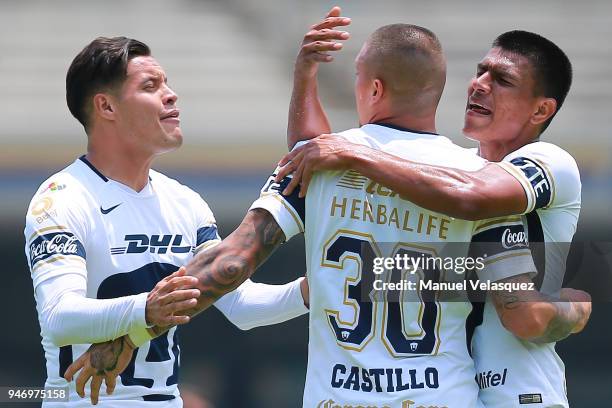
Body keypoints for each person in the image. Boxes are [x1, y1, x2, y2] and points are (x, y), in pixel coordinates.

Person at [277, 13, 590, 407]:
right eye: (481, 71)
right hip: (457, 390)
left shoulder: (549, 160)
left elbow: (474, 201)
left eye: (502, 80)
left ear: (541, 111)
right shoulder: (453, 168)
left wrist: (576, 308)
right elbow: (316, 160)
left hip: (522, 395)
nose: (480, 85)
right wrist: (308, 80)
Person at [24, 36, 308, 407]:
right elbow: (59, 317)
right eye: (150, 86)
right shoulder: (61, 199)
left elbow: (242, 305)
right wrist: (145, 311)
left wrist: (313, 289)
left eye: (167, 83)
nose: (171, 95)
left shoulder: (184, 202)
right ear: (106, 106)